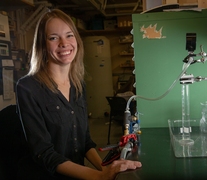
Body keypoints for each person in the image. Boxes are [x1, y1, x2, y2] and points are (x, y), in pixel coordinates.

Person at [16, 9, 141, 180]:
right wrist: (98, 177)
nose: (64, 43)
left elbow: (85, 142)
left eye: (69, 35)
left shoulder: (77, 84)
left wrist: (106, 169)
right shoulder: (28, 87)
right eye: (53, 38)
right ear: (42, 44)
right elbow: (44, 153)